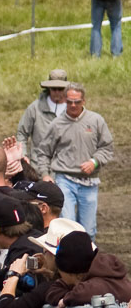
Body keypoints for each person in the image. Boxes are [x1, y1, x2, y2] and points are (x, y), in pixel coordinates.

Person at [31, 82, 112, 237]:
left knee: (88, 230)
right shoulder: (57, 124)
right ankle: (65, 259)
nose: (73, 105)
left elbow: (107, 147)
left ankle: (88, 259)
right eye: (69, 102)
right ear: (65, 100)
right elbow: (43, 152)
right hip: (64, 180)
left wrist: (94, 162)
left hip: (90, 182)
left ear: (84, 101)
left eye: (77, 102)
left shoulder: (96, 121)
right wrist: (45, 174)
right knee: (67, 225)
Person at [47, 230, 131, 308]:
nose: (59, 275)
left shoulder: (106, 283)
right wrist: (66, 298)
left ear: (77, 276)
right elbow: (53, 291)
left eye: (60, 272)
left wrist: (66, 300)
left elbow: (86, 292)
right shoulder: (85, 279)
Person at [17, 70, 69, 164]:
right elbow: (22, 133)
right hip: (39, 166)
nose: (57, 92)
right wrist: (23, 155)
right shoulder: (35, 108)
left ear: (66, 89)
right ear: (48, 88)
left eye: (60, 89)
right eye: (53, 89)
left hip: (66, 167)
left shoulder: (73, 109)